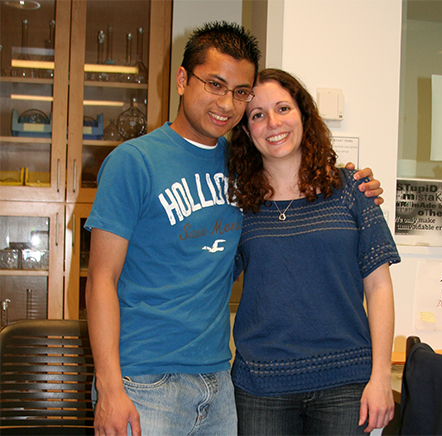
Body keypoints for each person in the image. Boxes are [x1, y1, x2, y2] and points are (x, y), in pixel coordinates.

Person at [84, 21, 383, 436]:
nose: (227, 103)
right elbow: (101, 278)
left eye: (241, 92)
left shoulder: (244, 170)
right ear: (183, 79)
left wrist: (352, 182)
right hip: (143, 383)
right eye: (215, 84)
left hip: (219, 383)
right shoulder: (134, 162)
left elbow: (295, 186)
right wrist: (109, 386)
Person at [228, 69, 401, 436]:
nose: (273, 122)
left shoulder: (353, 191)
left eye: (283, 108)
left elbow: (379, 288)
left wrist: (381, 376)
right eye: (257, 115)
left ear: (303, 115)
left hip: (345, 383)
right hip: (261, 386)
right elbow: (209, 278)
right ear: (245, 130)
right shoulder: (238, 204)